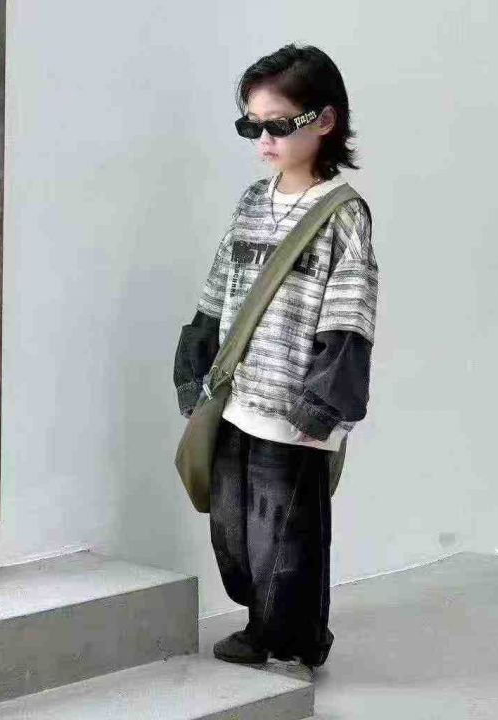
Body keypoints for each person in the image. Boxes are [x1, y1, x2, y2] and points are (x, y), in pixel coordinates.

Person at [173, 43, 378, 673]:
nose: (262, 139)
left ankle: (293, 641)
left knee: (287, 537)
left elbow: (350, 314)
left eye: (277, 125)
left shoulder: (343, 214)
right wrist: (196, 363)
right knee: (234, 532)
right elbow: (218, 291)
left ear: (325, 120)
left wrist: (323, 404)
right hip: (236, 399)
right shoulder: (250, 202)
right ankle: (264, 624)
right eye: (251, 125)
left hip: (294, 410)